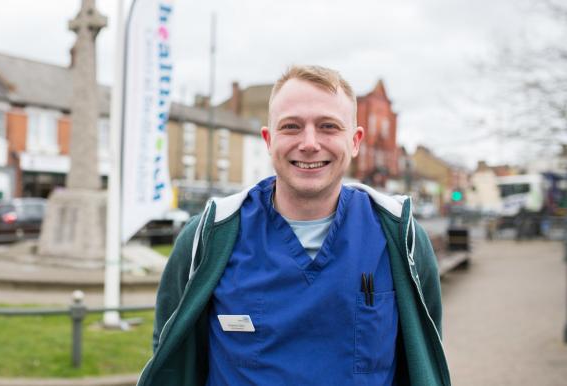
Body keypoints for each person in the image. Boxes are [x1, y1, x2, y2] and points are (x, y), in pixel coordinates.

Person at [137, 65, 450, 385]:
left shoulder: (400, 238)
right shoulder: (209, 237)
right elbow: (171, 351)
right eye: (291, 127)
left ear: (355, 141)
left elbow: (424, 350)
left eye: (328, 126)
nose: (310, 143)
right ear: (268, 140)